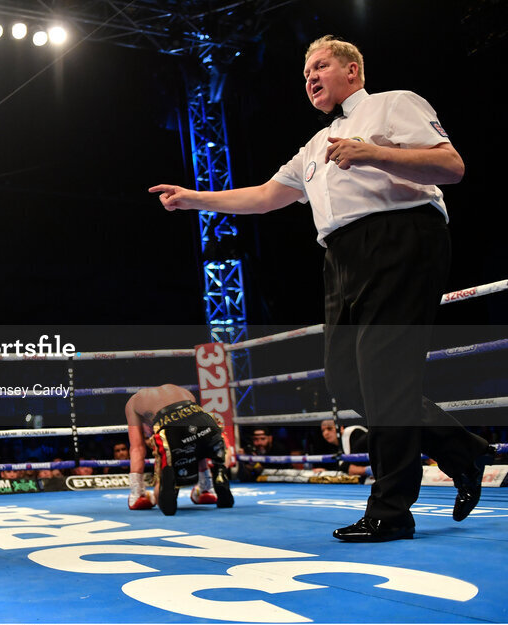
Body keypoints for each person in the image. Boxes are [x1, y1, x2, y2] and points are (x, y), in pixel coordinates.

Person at [149, 36, 491, 542]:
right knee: (346, 378)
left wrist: (373, 153)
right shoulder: (314, 147)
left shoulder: (392, 104)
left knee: (385, 372)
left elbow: (451, 166)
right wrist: (193, 198)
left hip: (400, 237)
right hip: (340, 256)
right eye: (305, 70)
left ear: (353, 71)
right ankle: (464, 450)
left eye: (321, 65)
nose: (310, 76)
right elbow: (266, 196)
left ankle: (392, 508)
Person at [124, 384, 233, 515]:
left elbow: (137, 449)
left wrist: (137, 494)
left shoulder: (132, 403)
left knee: (160, 497)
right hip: (207, 422)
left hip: (171, 427)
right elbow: (196, 442)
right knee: (197, 441)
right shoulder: (182, 391)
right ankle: (207, 487)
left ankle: (147, 490)